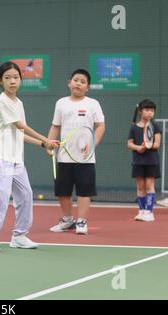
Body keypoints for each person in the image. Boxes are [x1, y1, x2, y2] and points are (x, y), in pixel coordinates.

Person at [0, 61, 58, 252]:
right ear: (0, 81)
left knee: (26, 194)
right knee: (2, 195)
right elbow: (20, 126)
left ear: (20, 79)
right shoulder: (2, 101)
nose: (12, 81)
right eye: (7, 78)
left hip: (15, 159)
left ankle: (19, 235)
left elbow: (19, 133)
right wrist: (46, 139)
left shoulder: (18, 103)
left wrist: (42, 144)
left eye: (15, 77)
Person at [48, 69, 105, 235]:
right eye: (75, 80)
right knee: (63, 191)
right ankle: (67, 220)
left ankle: (81, 221)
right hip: (64, 156)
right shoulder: (61, 103)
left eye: (82, 81)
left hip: (85, 158)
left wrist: (93, 143)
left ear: (87, 87)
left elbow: (100, 126)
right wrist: (48, 143)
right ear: (69, 83)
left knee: (84, 191)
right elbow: (56, 126)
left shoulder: (92, 103)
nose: (78, 83)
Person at [128, 99, 161, 221]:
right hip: (138, 161)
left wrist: (147, 146)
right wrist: (138, 148)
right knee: (140, 187)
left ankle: (149, 212)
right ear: (141, 111)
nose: (150, 113)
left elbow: (157, 144)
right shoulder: (133, 128)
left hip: (151, 161)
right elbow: (129, 144)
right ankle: (141, 211)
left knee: (149, 186)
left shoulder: (155, 126)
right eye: (147, 110)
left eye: (152, 110)